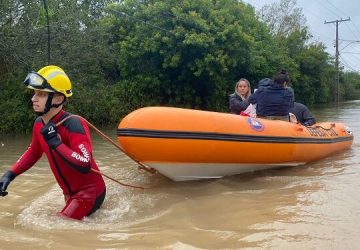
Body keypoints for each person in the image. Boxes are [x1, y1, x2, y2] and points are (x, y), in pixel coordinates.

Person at [0, 65, 106, 220]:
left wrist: (56, 143)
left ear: (58, 98)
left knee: (59, 227)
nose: (33, 98)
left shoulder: (74, 124)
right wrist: (9, 175)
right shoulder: (38, 124)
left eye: (41, 94)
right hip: (69, 194)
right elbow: (34, 152)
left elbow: (85, 163)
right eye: (35, 93)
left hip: (89, 192)